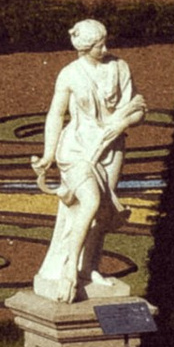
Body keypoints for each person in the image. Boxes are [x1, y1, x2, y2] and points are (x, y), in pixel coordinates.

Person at [28, 17, 146, 306]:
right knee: (90, 201)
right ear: (84, 48)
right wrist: (48, 153)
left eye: (105, 41)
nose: (105, 48)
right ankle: (68, 270)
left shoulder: (119, 67)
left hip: (111, 149)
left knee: (101, 213)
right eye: (98, 44)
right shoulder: (69, 74)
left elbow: (139, 108)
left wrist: (122, 124)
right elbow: (56, 115)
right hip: (77, 148)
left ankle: (88, 269)